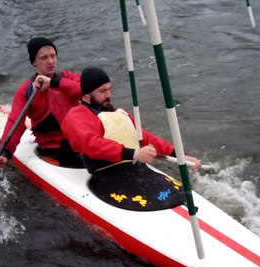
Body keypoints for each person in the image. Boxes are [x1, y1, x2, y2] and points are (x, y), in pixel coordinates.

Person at [61, 66, 202, 211]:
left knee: (177, 196)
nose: (108, 95)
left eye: (109, 89)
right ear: (86, 94)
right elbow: (91, 144)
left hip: (136, 170)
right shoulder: (76, 116)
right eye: (102, 91)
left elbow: (145, 138)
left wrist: (180, 156)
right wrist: (134, 154)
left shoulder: (119, 112)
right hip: (107, 176)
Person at [0, 37, 83, 169]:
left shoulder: (69, 78)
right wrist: (4, 153)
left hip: (80, 143)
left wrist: (54, 83)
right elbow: (15, 123)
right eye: (44, 58)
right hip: (53, 152)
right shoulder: (25, 92)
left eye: (53, 56)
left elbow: (90, 90)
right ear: (34, 62)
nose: (50, 61)